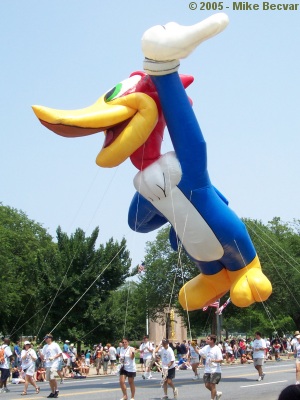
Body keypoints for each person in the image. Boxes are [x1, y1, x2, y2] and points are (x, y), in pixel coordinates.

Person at [199, 334, 223, 400]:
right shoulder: (206, 347)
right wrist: (194, 347)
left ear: (212, 340)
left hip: (215, 370)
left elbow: (221, 360)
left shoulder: (217, 349)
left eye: (208, 339)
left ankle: (212, 399)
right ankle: (217, 393)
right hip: (207, 370)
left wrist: (213, 360)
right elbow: (199, 352)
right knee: (207, 385)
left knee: (212, 385)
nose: (206, 340)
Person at [40, 333, 62, 398]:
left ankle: (56, 390)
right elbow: (42, 356)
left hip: (54, 363)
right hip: (48, 364)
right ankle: (52, 392)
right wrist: (39, 350)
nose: (45, 339)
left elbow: (60, 353)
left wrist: (53, 357)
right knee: (49, 379)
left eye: (46, 338)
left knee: (52, 377)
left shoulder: (55, 345)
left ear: (50, 338)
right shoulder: (45, 346)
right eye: (45, 338)